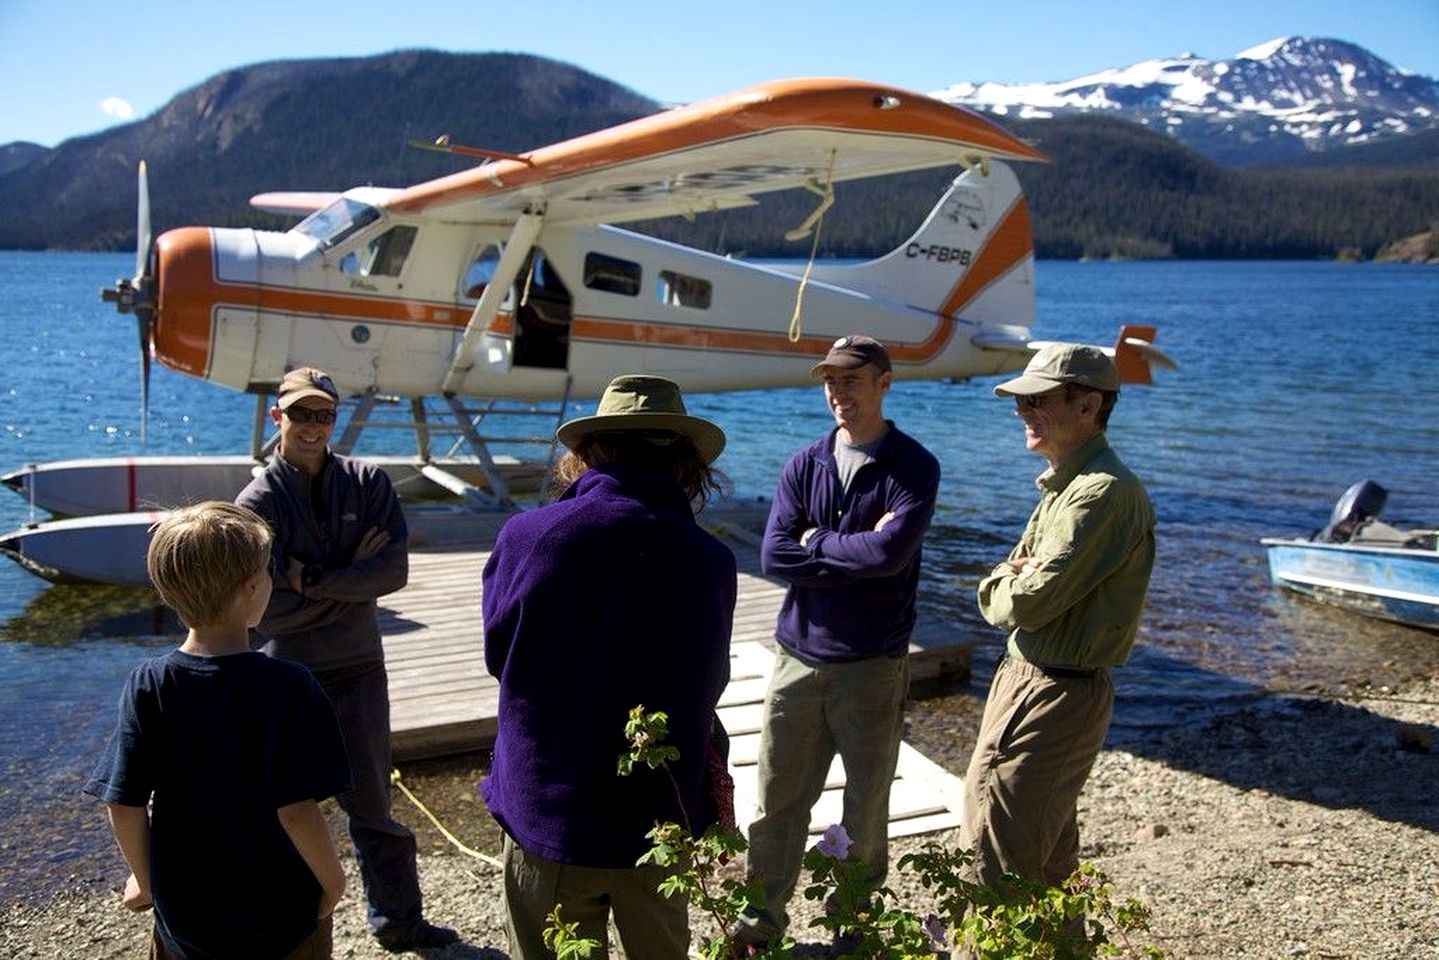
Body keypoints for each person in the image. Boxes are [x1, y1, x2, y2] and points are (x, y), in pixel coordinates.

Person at [481, 374, 737, 959]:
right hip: (659, 823)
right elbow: (710, 682)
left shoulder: (525, 538)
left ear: (590, 452)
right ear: (685, 463)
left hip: (549, 810)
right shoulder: (710, 561)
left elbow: (502, 657)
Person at [236, 367, 457, 953]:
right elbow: (267, 614)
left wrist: (307, 578)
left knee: (375, 808)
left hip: (360, 670)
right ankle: (288, 924)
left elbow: (395, 571)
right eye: (301, 413)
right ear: (278, 416)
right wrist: (351, 585)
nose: (312, 426)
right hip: (288, 674)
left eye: (323, 415)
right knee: (283, 809)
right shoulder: (257, 501)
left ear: (334, 420)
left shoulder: (368, 482)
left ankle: (398, 923)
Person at [736, 334, 940, 947]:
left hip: (871, 664)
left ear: (884, 383)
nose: (838, 393)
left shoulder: (913, 466)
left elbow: (888, 554)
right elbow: (773, 552)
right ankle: (759, 925)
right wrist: (839, 546)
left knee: (865, 807)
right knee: (776, 804)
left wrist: (814, 540)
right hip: (797, 658)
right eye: (830, 380)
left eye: (852, 380)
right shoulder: (805, 462)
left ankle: (852, 929)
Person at [85, 501, 351, 959]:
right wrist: (333, 883)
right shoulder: (290, 687)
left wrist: (146, 881)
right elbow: (296, 811)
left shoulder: (150, 684)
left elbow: (124, 802)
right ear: (253, 587)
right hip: (279, 917)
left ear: (169, 593)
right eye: (266, 573)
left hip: (186, 920)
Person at [959, 343, 1156, 893]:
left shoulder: (1098, 495)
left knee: (995, 868)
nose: (1022, 412)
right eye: (1021, 402)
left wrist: (1002, 581)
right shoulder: (1067, 487)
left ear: (1088, 405)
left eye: (1037, 400)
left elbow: (1021, 603)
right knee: (1045, 864)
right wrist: (1010, 577)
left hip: (1051, 691)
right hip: (1036, 683)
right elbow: (1016, 583)